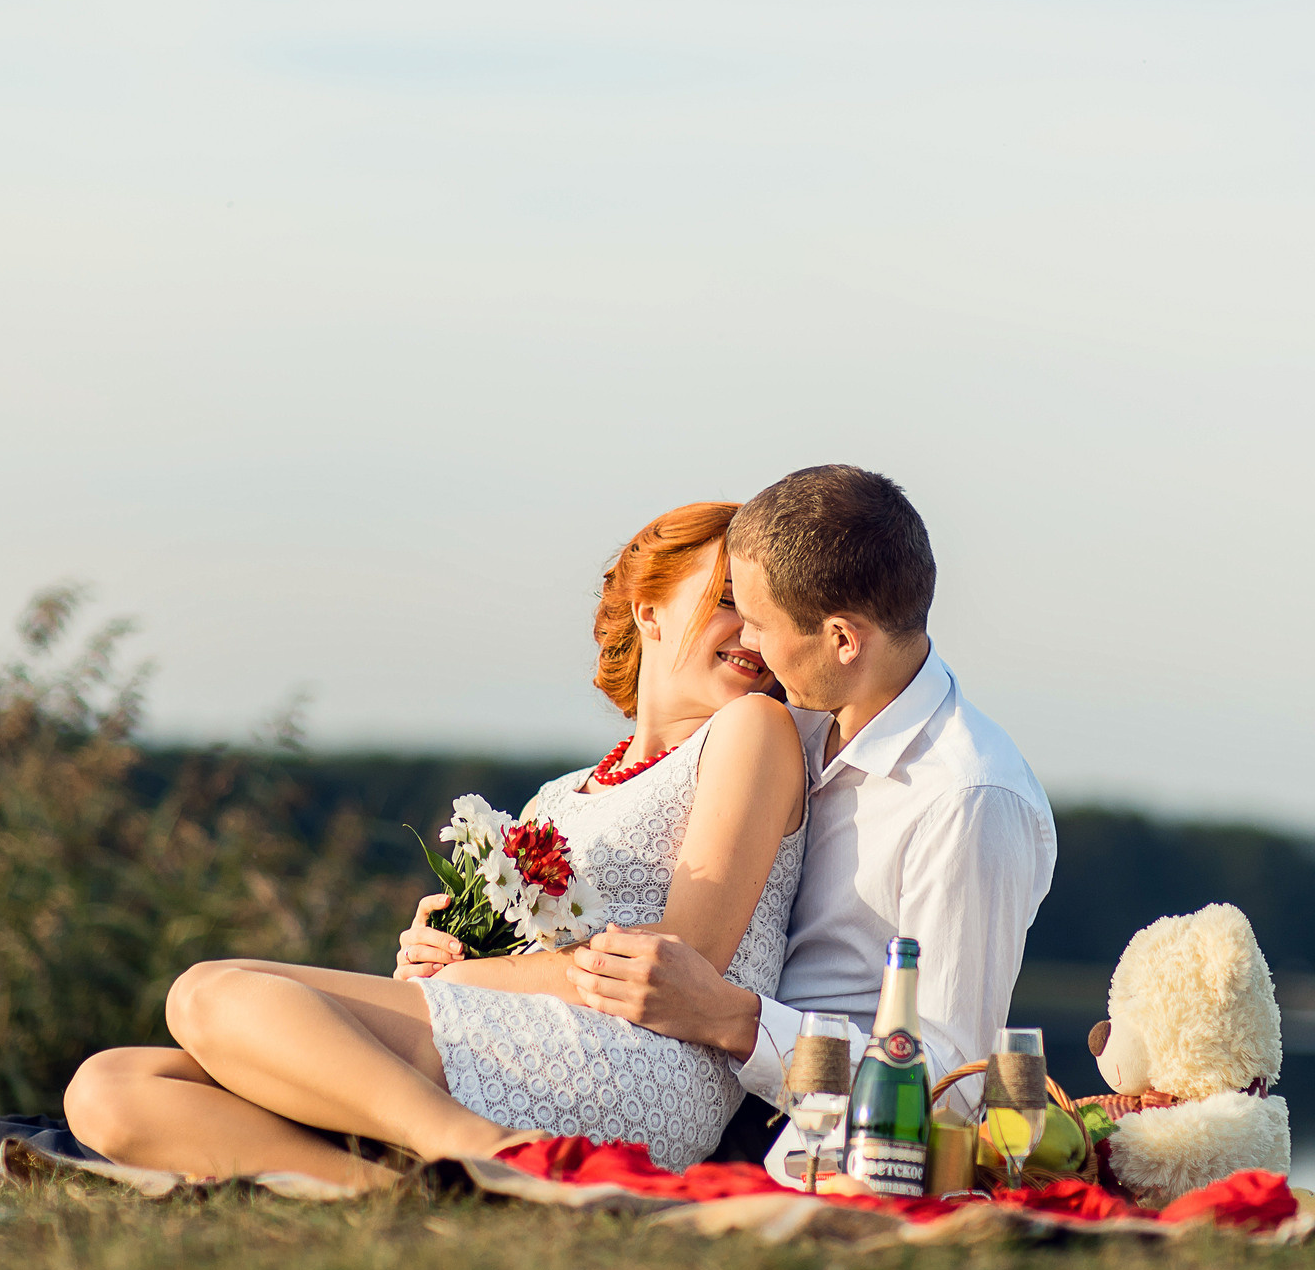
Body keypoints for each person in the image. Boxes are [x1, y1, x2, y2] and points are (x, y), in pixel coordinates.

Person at [0, 500, 808, 1187]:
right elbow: (543, 948)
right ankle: (403, 1194)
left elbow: (682, 962)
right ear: (649, 609)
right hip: (530, 1037)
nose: (752, 634)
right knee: (109, 1089)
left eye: (765, 614)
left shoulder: (752, 731)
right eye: (728, 600)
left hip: (637, 1066)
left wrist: (475, 979)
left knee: (207, 993)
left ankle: (486, 1155)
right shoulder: (562, 792)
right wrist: (448, 957)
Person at [407, 464, 1059, 1186]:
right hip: (672, 1071)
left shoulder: (967, 797)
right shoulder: (797, 718)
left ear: (843, 639)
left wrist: (735, 1020)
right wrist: (469, 944)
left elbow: (952, 1082)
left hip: (811, 1143)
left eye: (759, 621)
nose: (749, 642)